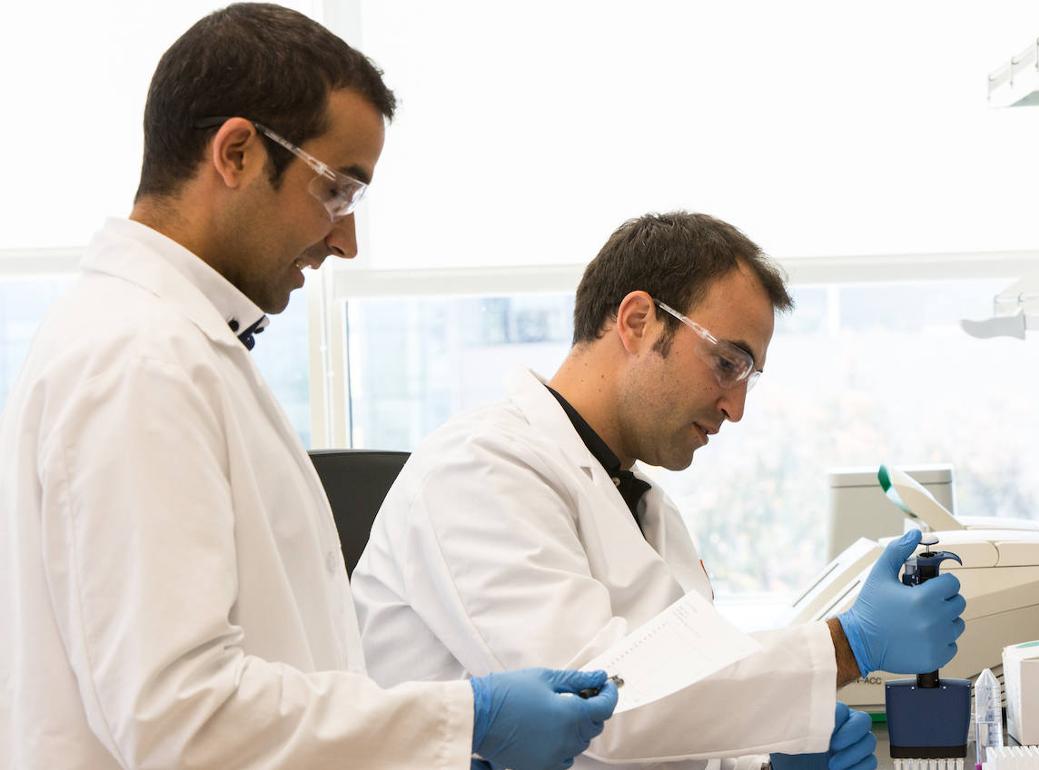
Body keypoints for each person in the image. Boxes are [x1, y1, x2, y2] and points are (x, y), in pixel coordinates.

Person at [0, 5, 616, 768]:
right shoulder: (138, 359)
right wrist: (466, 718)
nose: (346, 240)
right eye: (338, 191)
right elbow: (181, 720)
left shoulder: (172, 342)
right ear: (235, 153)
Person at [352, 211, 967, 770]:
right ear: (638, 321)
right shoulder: (478, 470)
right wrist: (845, 646)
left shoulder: (646, 505)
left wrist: (763, 764)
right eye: (728, 362)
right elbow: (600, 711)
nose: (735, 408)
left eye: (749, 377)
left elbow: (679, 719)